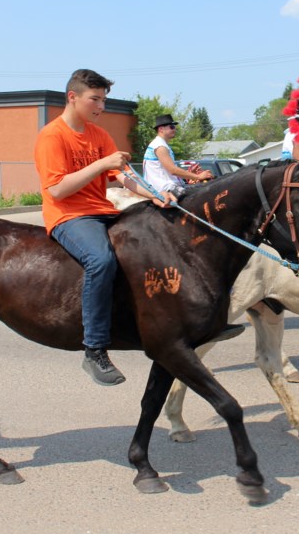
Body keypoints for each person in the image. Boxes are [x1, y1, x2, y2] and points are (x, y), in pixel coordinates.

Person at [34, 69, 176, 386]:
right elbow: (57, 190)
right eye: (94, 99)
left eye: (103, 100)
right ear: (72, 97)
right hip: (69, 216)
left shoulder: (99, 135)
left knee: (156, 239)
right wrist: (101, 164)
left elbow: (123, 177)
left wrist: (155, 195)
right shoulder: (52, 136)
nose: (100, 106)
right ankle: (94, 348)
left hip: (103, 209)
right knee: (101, 260)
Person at [142, 114, 213, 197]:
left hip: (168, 187)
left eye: (174, 127)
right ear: (161, 129)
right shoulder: (160, 146)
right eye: (171, 127)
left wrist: (189, 175)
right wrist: (198, 176)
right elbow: (173, 170)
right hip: (164, 190)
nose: (174, 129)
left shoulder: (161, 144)